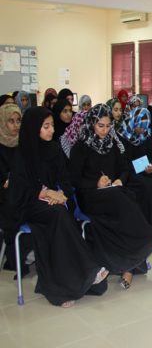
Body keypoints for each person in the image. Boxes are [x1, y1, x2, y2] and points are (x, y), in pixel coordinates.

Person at [10, 107, 109, 307]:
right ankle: (84, 272)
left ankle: (74, 280)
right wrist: (46, 192)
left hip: (54, 203)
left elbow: (65, 178)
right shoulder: (22, 154)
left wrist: (62, 195)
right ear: (33, 128)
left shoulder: (54, 149)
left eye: (52, 125)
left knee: (60, 213)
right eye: (46, 126)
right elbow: (19, 191)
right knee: (57, 215)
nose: (52, 130)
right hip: (28, 205)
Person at [70, 104, 152, 289]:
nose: (105, 130)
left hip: (113, 193)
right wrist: (95, 183)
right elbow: (74, 179)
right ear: (92, 124)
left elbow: (124, 169)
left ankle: (129, 268)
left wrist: (119, 180)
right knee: (124, 201)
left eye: (108, 126)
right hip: (90, 196)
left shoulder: (112, 144)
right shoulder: (81, 146)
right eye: (101, 125)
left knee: (128, 200)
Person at [119, 107, 152, 227]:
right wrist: (137, 169)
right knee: (145, 186)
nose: (142, 130)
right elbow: (123, 162)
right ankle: (144, 224)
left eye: (145, 127)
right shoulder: (123, 137)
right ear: (134, 122)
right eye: (140, 126)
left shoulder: (146, 135)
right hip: (130, 173)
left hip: (146, 171)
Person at [0, 104, 24, 271]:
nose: (16, 125)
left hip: (21, 192)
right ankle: (16, 256)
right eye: (11, 121)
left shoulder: (23, 144)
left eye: (18, 121)